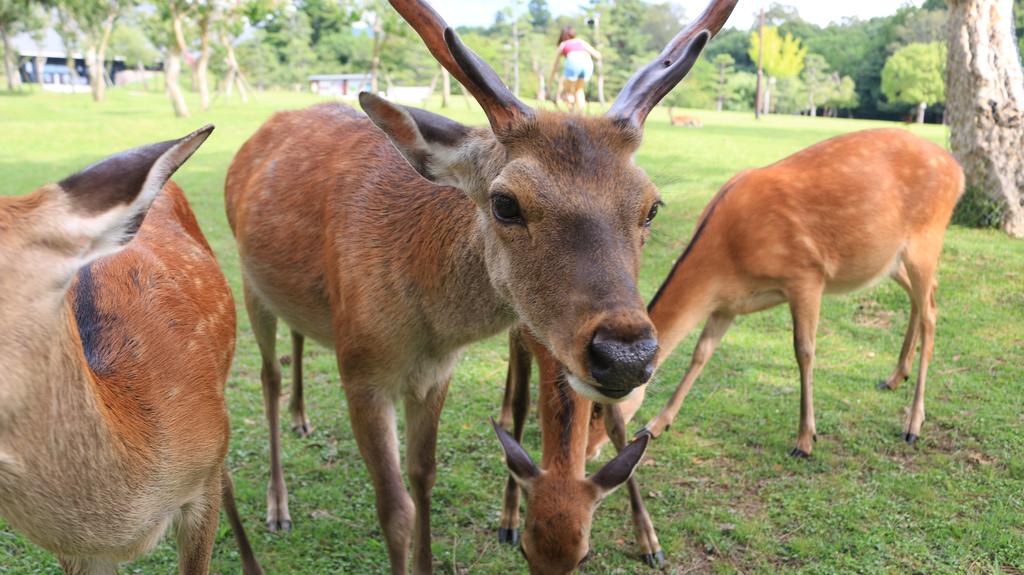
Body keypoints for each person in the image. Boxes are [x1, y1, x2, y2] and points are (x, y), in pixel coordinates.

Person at [550, 27, 601, 112]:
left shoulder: (563, 44)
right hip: (587, 64)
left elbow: (554, 66)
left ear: (562, 36)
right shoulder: (580, 42)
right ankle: (581, 115)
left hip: (573, 63)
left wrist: (549, 83)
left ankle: (571, 114)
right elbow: (598, 56)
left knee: (568, 91)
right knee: (579, 90)